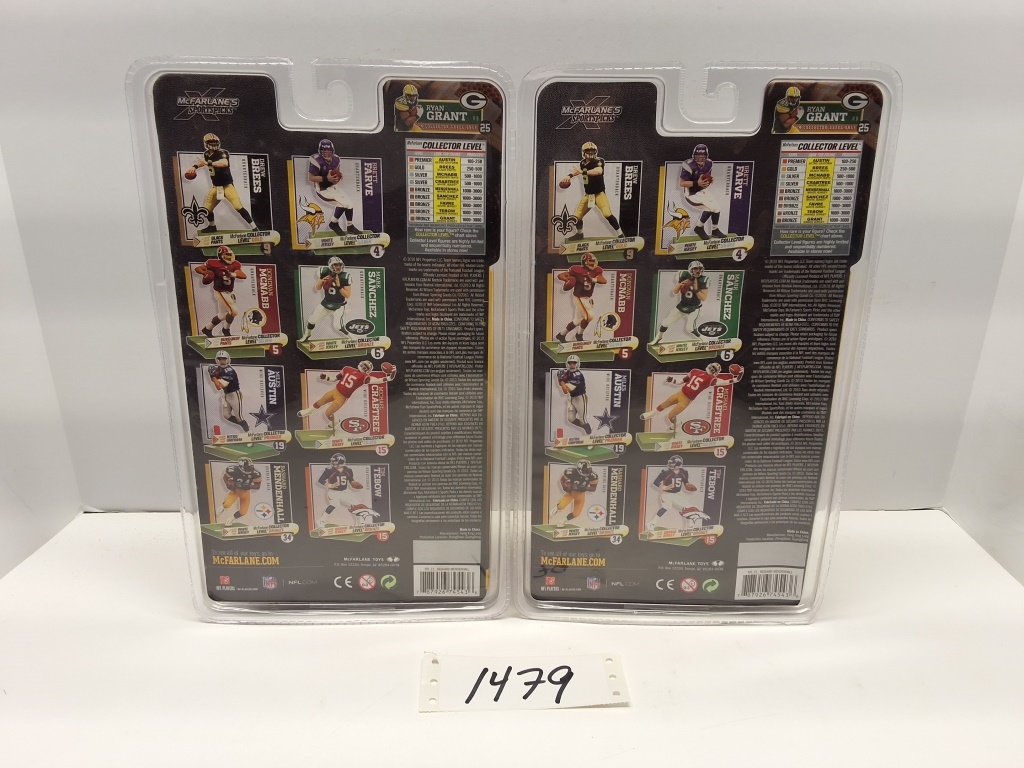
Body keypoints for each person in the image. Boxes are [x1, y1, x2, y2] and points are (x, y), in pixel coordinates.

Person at [640, 362, 744, 434]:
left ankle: (676, 424)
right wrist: (672, 380)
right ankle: (651, 414)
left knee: (670, 416)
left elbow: (728, 381)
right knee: (664, 404)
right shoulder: (695, 371)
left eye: (714, 369)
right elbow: (680, 381)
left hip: (686, 400)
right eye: (712, 367)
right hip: (680, 393)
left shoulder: (711, 379)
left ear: (716, 372)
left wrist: (740, 375)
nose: (712, 369)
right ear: (709, 365)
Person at [184, 133, 257, 234]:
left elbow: (224, 163)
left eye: (215, 142)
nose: (213, 144)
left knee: (237, 206)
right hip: (216, 187)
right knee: (207, 209)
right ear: (206, 143)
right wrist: (194, 167)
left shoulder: (222, 152)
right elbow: (203, 162)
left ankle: (254, 227)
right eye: (211, 142)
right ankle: (212, 227)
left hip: (227, 186)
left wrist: (208, 163)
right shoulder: (206, 154)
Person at [298, 361, 397, 435]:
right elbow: (334, 379)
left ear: (368, 370)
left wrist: (390, 376)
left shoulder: (364, 377)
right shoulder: (347, 369)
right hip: (335, 390)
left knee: (327, 413)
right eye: (364, 365)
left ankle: (335, 421)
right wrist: (326, 378)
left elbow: (378, 380)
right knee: (320, 401)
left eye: (366, 367)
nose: (364, 367)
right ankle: (308, 411)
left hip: (342, 397)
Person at [562, 142, 625, 241]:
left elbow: (599, 171)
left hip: (599, 194)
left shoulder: (599, 161)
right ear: (584, 152)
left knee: (607, 214)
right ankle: (579, 234)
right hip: (588, 195)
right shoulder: (583, 163)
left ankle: (621, 234)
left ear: (596, 151)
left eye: (592, 151)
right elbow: (578, 171)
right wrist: (569, 176)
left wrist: (583, 172)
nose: (591, 152)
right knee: (576, 217)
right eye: (588, 151)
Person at [307, 139, 361, 236]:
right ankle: (333, 223)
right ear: (320, 151)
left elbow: (335, 172)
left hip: (332, 186)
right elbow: (311, 178)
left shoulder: (336, 159)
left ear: (332, 151)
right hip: (322, 188)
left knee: (350, 204)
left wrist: (338, 176)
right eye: (324, 150)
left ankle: (350, 226)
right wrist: (326, 178)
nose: (327, 153)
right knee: (342, 204)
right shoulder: (316, 160)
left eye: (328, 150)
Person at [194, 246, 246, 337]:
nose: (230, 257)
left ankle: (207, 329)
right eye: (227, 255)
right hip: (220, 291)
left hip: (228, 292)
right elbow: (198, 268)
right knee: (234, 311)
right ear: (221, 256)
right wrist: (204, 273)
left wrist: (231, 274)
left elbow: (243, 275)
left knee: (222, 315)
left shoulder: (235, 264)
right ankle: (226, 330)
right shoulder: (214, 264)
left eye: (230, 254)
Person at [651, 261, 708, 343]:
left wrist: (696, 289)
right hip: (683, 304)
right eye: (696, 268)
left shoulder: (703, 280)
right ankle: (659, 337)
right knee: (665, 323)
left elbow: (703, 298)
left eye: (700, 268)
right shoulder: (683, 275)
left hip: (695, 307)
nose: (698, 271)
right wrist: (680, 284)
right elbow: (675, 292)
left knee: (690, 328)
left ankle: (704, 339)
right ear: (691, 269)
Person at [678, 144, 726, 240]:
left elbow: (705, 179)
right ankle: (699, 228)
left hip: (702, 190)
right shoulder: (688, 165)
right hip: (691, 193)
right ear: (694, 155)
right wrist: (697, 183)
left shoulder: (709, 163)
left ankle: (715, 230)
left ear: (706, 155)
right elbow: (681, 183)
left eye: (702, 155)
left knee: (717, 208)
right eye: (698, 155)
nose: (700, 157)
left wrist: (709, 180)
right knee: (710, 208)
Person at [555, 252, 607, 342]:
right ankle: (579, 335)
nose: (593, 263)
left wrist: (593, 279)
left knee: (577, 321)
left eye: (594, 261)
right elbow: (561, 275)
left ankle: (561, 335)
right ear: (585, 262)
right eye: (590, 261)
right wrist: (565, 279)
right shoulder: (577, 270)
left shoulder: (597, 270)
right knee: (589, 316)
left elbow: (603, 280)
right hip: (579, 297)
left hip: (587, 298)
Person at [299, 257, 351, 342]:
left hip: (340, 305)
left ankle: (353, 337)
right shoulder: (324, 271)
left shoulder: (345, 276)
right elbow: (317, 288)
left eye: (340, 265)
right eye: (336, 265)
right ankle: (307, 335)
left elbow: (348, 295)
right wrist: (321, 281)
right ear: (330, 266)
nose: (338, 267)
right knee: (311, 320)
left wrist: (339, 286)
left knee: (337, 326)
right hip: (326, 302)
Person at [208, 350, 250, 432]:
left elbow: (219, 387)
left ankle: (248, 432)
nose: (222, 361)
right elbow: (214, 380)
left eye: (224, 359)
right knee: (226, 415)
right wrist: (212, 376)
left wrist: (212, 375)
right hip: (226, 395)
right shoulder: (219, 369)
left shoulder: (229, 371)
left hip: (234, 395)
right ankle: (244, 425)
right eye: (220, 359)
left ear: (228, 359)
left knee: (239, 417)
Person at [551, 459, 599, 527]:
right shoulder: (570, 472)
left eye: (588, 470)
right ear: (579, 469)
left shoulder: (593, 475)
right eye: (585, 470)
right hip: (571, 492)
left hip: (581, 495)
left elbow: (593, 488)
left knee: (576, 514)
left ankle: (564, 520)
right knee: (561, 507)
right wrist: (564, 486)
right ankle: (557, 507)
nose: (587, 472)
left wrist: (583, 488)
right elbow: (562, 479)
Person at [217, 458, 262, 527]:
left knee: (243, 512)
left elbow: (257, 486)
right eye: (247, 468)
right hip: (235, 490)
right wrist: (228, 485)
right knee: (227, 504)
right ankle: (223, 506)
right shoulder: (233, 470)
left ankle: (231, 518)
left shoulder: (255, 473)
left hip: (245, 492)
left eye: (250, 467)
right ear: (241, 467)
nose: (249, 469)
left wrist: (247, 486)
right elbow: (225, 477)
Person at [557, 354, 591, 435]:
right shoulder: (568, 373)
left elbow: (566, 390)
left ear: (577, 363)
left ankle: (590, 435)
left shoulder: (578, 375)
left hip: (580, 398)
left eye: (574, 363)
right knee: (571, 419)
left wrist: (560, 380)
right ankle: (587, 428)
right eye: (570, 363)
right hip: (572, 398)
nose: (572, 365)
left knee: (583, 420)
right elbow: (562, 385)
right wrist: (561, 380)